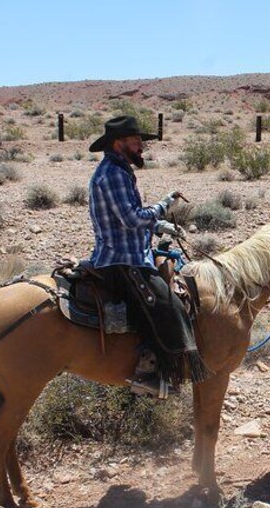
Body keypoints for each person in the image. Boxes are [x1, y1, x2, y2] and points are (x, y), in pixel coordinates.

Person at [87, 115, 200, 398]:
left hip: (132, 252)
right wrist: (162, 208)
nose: (141, 147)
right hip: (122, 259)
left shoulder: (119, 170)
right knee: (166, 305)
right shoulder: (112, 173)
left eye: (141, 142)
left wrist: (158, 225)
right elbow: (128, 218)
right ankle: (146, 373)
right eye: (136, 142)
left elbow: (127, 217)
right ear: (118, 144)